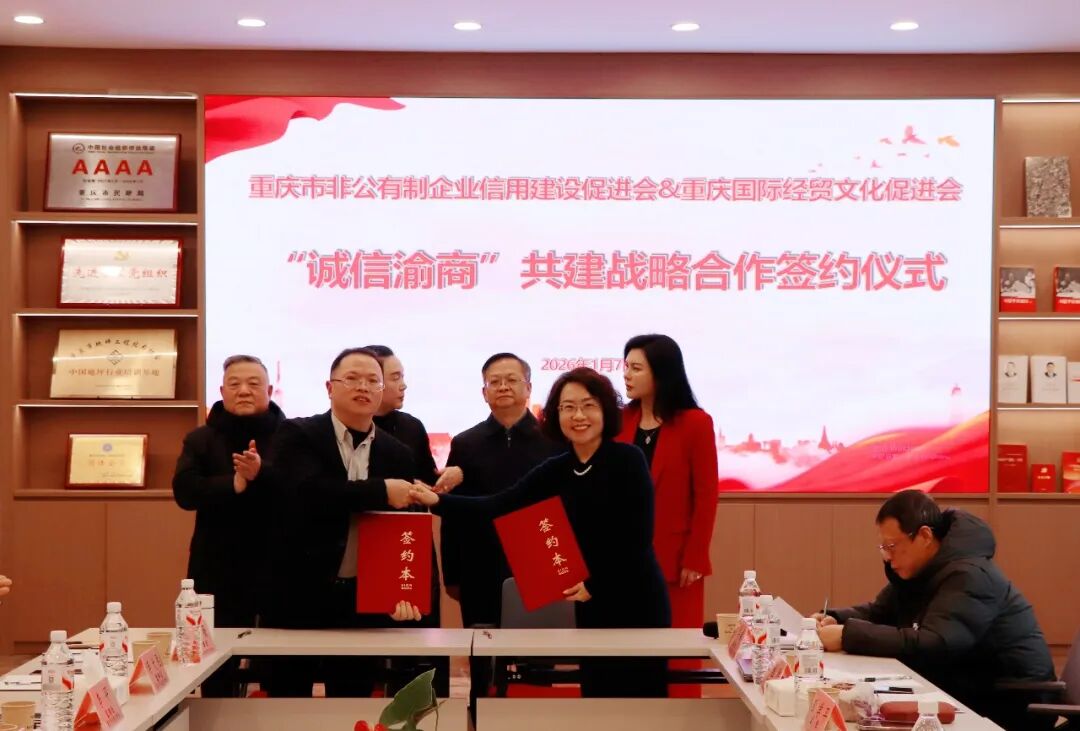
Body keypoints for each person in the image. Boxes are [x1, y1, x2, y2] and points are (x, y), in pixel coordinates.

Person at [412, 367, 672, 698]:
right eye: (568, 407)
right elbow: (498, 505)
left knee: (644, 702)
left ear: (606, 410)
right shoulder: (558, 468)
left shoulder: (628, 459)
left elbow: (636, 538)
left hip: (635, 597)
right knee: (598, 698)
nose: (579, 416)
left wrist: (596, 583)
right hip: (589, 603)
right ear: (556, 415)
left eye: (588, 405)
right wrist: (438, 501)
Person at [814, 490, 1055, 731]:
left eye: (892, 546)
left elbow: (937, 643)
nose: (887, 557)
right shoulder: (921, 570)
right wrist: (834, 617)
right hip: (962, 686)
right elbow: (880, 612)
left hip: (1009, 703)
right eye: (883, 547)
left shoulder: (970, 575)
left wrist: (848, 636)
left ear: (925, 536)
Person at [263, 347, 423, 698]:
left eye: (372, 380)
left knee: (353, 701)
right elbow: (307, 493)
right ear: (330, 387)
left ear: (381, 391)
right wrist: (381, 490)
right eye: (352, 378)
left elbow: (399, 531)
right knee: (286, 700)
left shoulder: (397, 453)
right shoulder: (297, 434)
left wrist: (400, 591)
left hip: (361, 599)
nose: (363, 387)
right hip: (297, 592)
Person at [173, 354, 286, 697]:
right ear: (222, 392)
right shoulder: (200, 439)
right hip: (218, 562)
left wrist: (260, 474)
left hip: (279, 562)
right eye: (234, 384)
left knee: (280, 661)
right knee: (216, 660)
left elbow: (303, 488)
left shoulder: (293, 437)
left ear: (269, 390)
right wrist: (233, 484)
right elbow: (184, 491)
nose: (244, 391)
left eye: (253, 384)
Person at [618, 334, 717, 697]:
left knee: (677, 656)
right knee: (626, 653)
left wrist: (696, 556)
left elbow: (706, 496)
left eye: (636, 368)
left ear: (660, 373)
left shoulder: (695, 423)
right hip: (623, 560)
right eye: (625, 366)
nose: (626, 375)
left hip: (676, 563)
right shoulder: (619, 420)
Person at [434, 353, 563, 630]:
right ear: (484, 392)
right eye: (494, 382)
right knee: (483, 645)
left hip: (541, 560)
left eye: (511, 380)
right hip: (480, 563)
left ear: (528, 388)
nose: (503, 387)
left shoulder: (554, 439)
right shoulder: (466, 443)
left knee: (541, 648)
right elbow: (453, 512)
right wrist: (452, 574)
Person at [365, 344, 448, 697]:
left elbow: (426, 479)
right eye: (395, 377)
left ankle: (424, 705)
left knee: (420, 635)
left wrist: (437, 483)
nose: (403, 385)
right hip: (367, 543)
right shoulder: (349, 427)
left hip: (409, 541)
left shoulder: (412, 426)